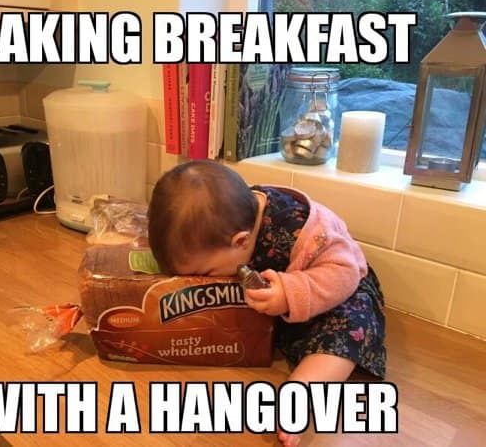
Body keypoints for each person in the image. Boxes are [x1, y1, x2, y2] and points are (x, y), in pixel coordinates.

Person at [148, 160, 386, 447]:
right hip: (272, 299)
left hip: (333, 291)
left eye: (205, 274)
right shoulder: (223, 219)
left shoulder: (303, 228)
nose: (199, 281)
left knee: (350, 329)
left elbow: (345, 271)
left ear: (241, 241)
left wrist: (289, 292)